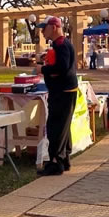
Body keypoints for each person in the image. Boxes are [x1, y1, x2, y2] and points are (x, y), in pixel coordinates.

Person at [37, 16, 78, 176]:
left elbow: (62, 68)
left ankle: (55, 162)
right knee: (63, 128)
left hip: (63, 92)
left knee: (55, 127)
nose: (42, 31)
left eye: (44, 28)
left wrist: (43, 69)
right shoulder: (60, 44)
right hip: (64, 91)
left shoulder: (61, 44)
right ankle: (64, 159)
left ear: (53, 27)